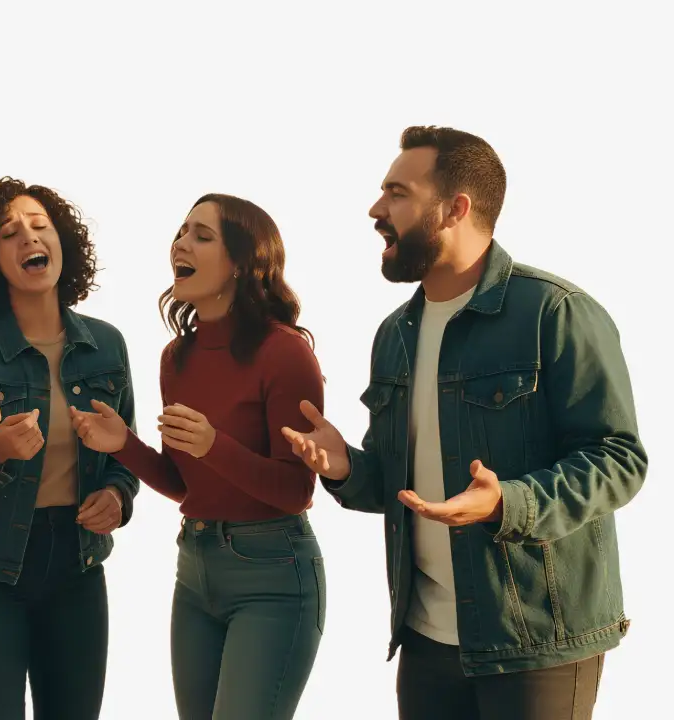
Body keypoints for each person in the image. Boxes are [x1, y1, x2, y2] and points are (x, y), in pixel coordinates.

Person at [281, 125, 646, 720]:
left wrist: (509, 502)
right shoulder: (394, 335)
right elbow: (398, 485)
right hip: (425, 641)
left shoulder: (554, 312)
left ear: (456, 208)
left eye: (397, 193)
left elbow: (619, 460)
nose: (377, 210)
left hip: (535, 646)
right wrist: (346, 466)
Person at [70, 193, 326, 719]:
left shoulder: (285, 352)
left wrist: (216, 445)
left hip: (272, 573)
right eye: (181, 232)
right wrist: (125, 445)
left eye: (202, 236)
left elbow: (297, 490)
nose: (180, 244)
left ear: (241, 263)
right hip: (195, 567)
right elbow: (187, 485)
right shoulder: (176, 357)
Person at [0, 177, 141, 720]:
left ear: (62, 241)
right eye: (9, 233)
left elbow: (128, 457)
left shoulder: (107, 345)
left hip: (77, 566)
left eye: (40, 226)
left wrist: (118, 496)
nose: (28, 238)